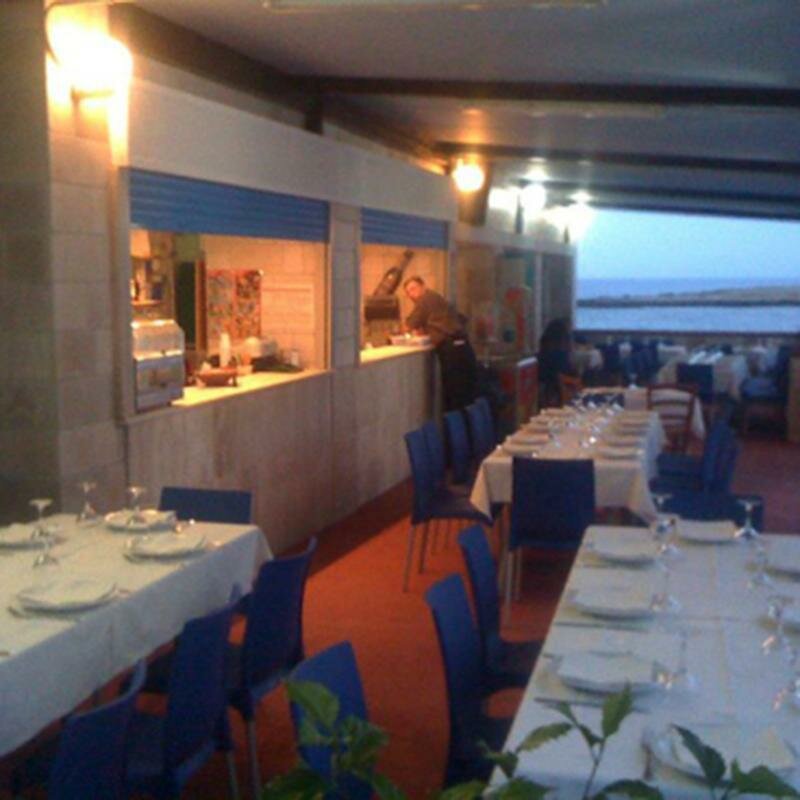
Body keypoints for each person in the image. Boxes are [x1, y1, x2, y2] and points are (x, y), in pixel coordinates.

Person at [403, 276, 477, 412]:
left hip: (451, 349)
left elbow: (411, 323)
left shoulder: (424, 299)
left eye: (413, 289)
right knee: (467, 392)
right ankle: (468, 423)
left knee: (453, 393)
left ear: (423, 287)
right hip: (463, 345)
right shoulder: (436, 297)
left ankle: (454, 424)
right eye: (408, 292)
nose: (411, 294)